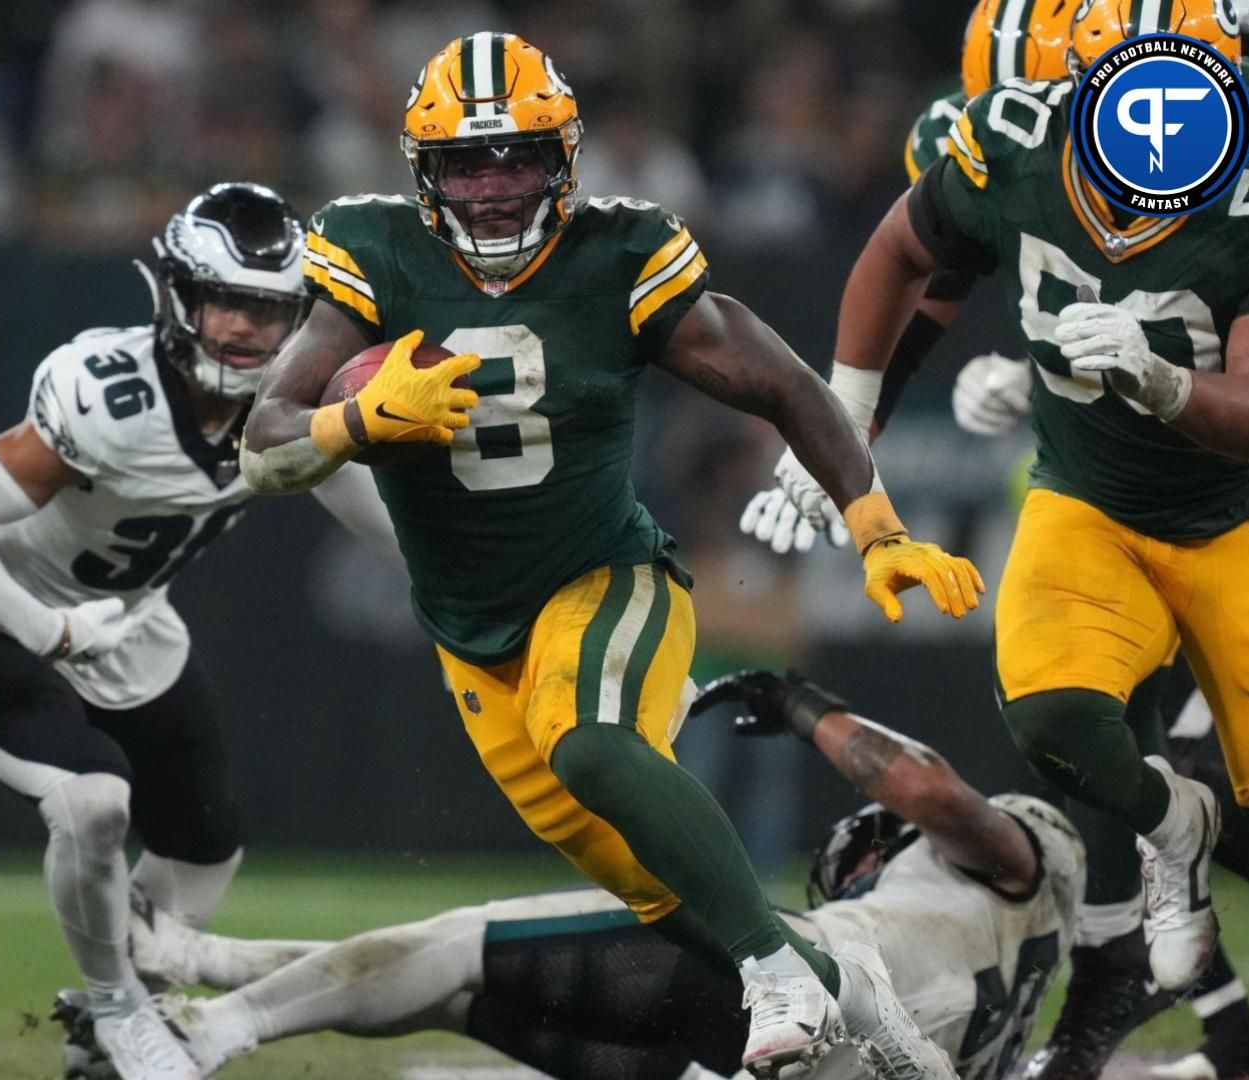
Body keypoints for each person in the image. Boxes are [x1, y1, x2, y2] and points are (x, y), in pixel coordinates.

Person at [239, 30, 982, 1077]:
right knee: (670, 895)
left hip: (604, 580)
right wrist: (359, 424)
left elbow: (784, 384)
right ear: (424, 171)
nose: (494, 187)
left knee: (588, 740)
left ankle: (774, 973)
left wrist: (876, 526)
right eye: (466, 161)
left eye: (518, 157)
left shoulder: (617, 253)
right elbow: (265, 441)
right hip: (471, 634)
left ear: (564, 159)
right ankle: (865, 1013)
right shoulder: (371, 250)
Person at [781, 0, 1249, 1028]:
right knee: (1078, 718)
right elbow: (938, 265)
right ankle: (1172, 933)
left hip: (1248, 500)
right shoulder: (1021, 137)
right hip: (1102, 495)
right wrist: (848, 423)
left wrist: (1151, 381)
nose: (1012, 113)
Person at [0, 183, 399, 1080]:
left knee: (207, 848)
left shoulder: (284, 409)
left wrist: (497, 590)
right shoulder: (109, 396)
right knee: (94, 805)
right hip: (4, 620)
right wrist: (43, 627)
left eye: (268, 308)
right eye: (225, 302)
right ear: (178, 296)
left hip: (135, 629)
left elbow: (390, 529)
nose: (245, 330)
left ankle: (107, 1019)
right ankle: (118, 1007)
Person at [55, 671, 1082, 1080]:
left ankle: (200, 1032)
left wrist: (803, 705)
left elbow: (939, 799)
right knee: (452, 997)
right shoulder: (1014, 988)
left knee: (459, 950)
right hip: (780, 1066)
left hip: (791, 989)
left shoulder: (1017, 864)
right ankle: (197, 967)